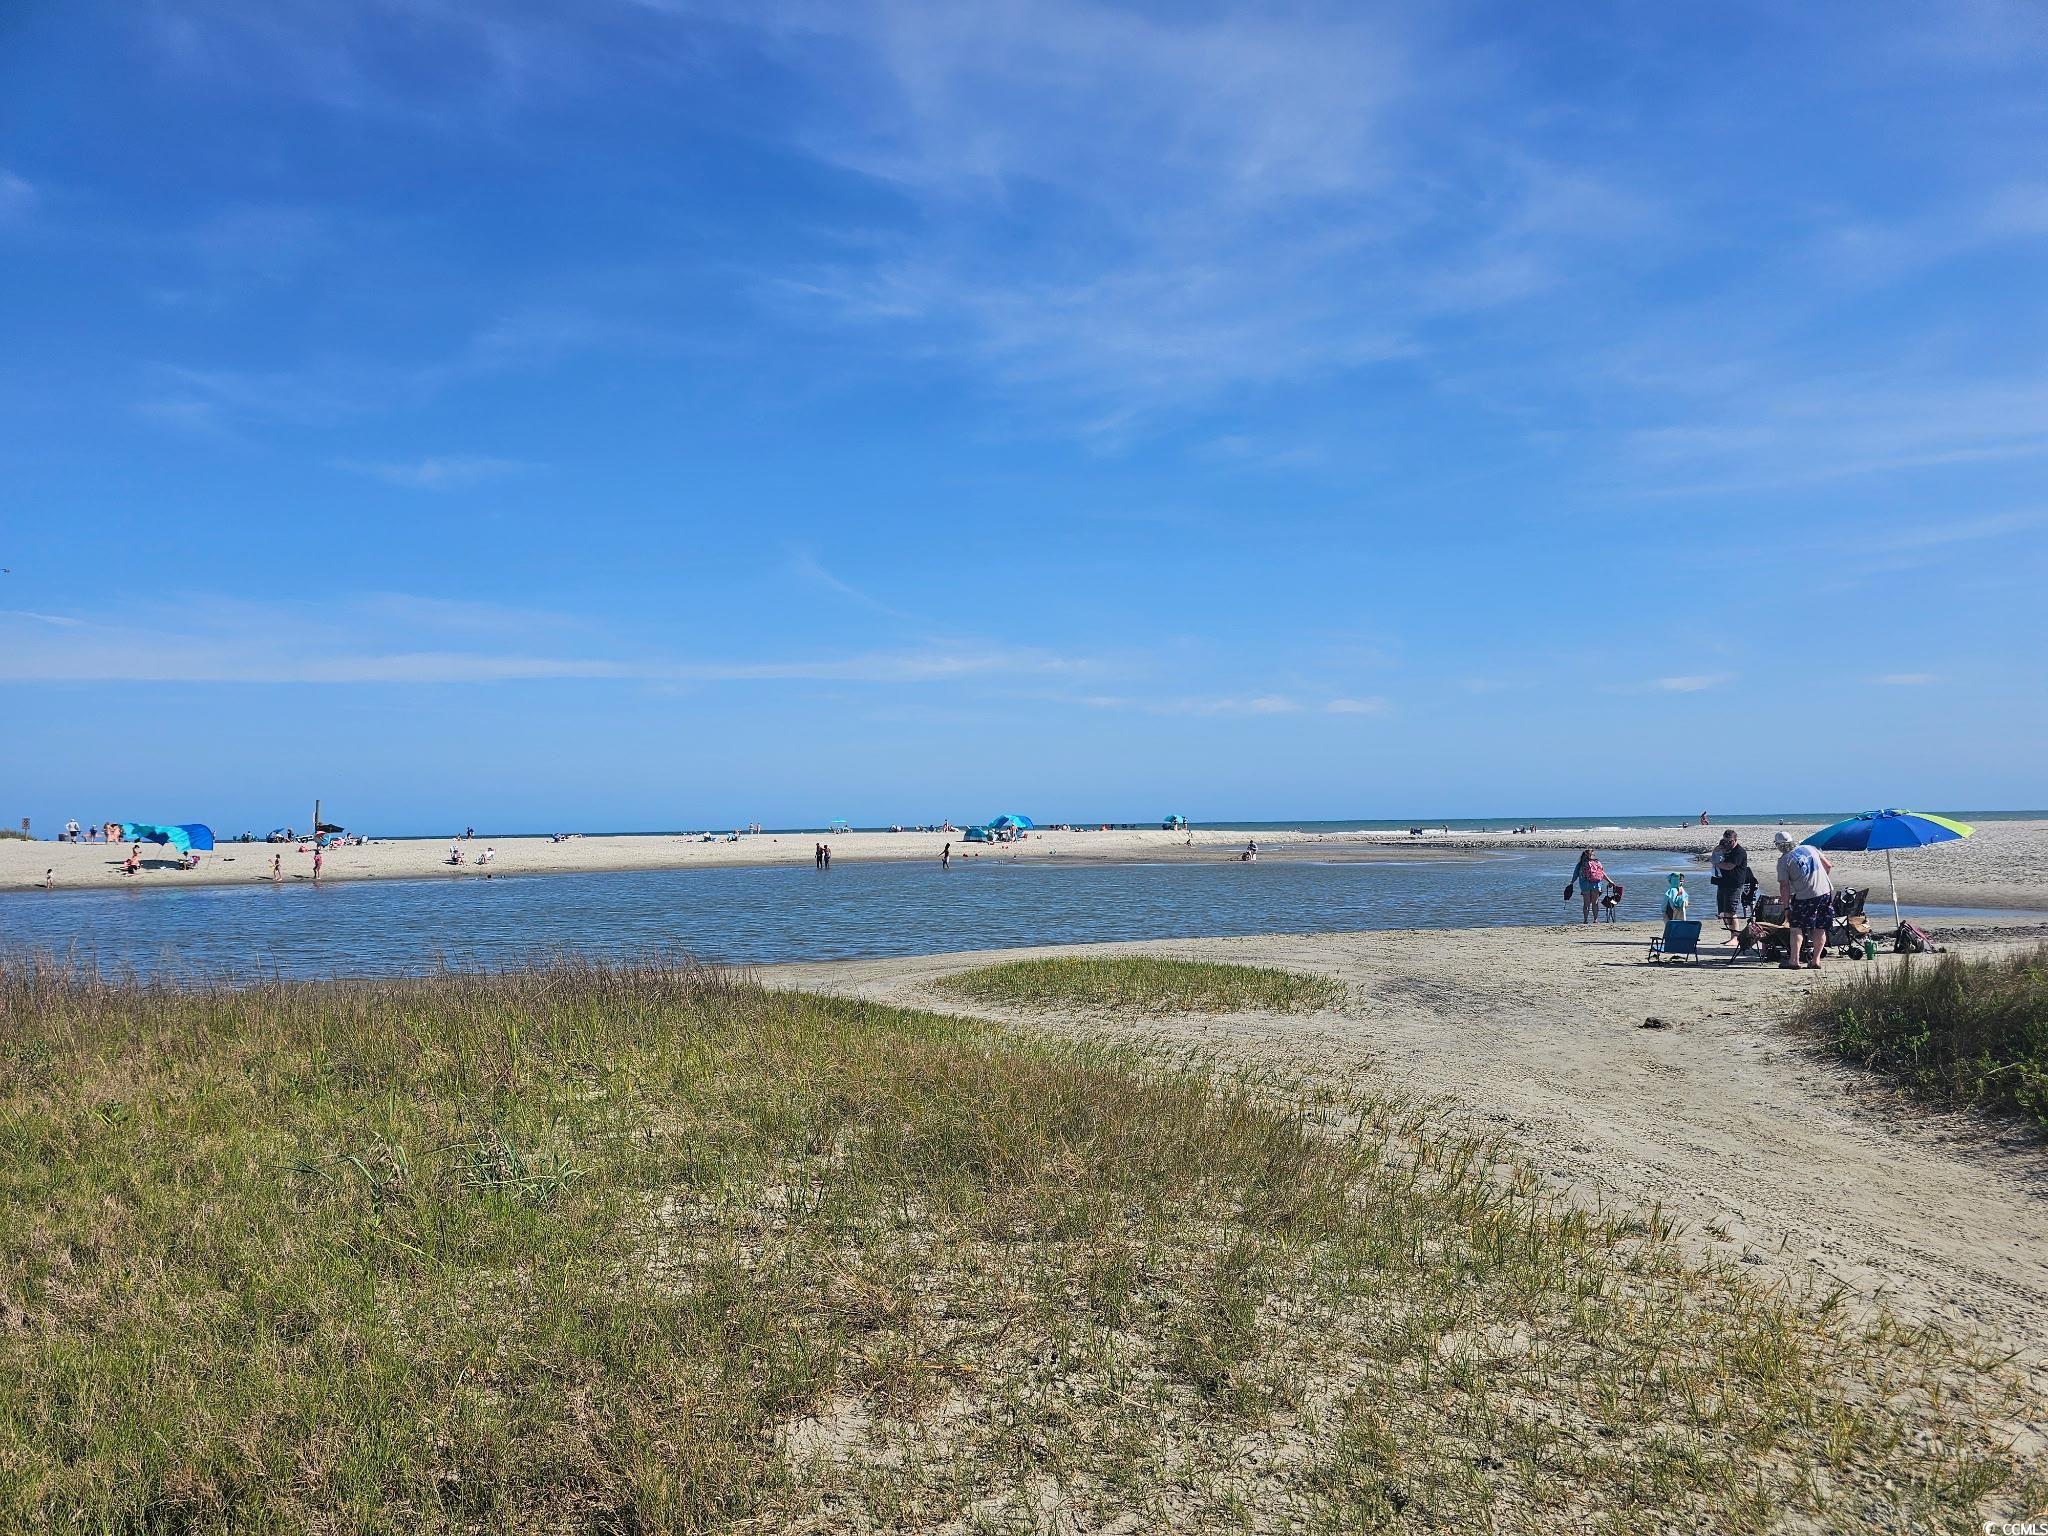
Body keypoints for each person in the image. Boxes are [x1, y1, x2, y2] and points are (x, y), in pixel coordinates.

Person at [1773, 830, 1835, 970]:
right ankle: (1816, 960)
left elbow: (1784, 886)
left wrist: (1786, 907)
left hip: (1805, 896)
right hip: (1825, 891)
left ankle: (1794, 960)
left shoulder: (1784, 860)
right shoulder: (1809, 848)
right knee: (1820, 926)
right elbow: (1828, 866)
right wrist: (1819, 881)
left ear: (1778, 846)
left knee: (1796, 927)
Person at [1709, 831, 1751, 946]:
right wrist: (1716, 850)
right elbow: (1715, 857)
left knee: (1730, 911)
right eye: (1725, 841)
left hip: (1734, 884)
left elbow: (1729, 866)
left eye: (1730, 841)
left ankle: (1735, 937)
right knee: (1723, 911)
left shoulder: (1739, 852)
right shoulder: (1725, 849)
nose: (1727, 844)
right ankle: (1732, 936)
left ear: (1735, 840)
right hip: (1723, 883)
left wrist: (1716, 863)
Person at [1565, 849, 1606, 923]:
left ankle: (1585, 920)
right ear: (1592, 855)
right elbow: (1602, 874)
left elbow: (1575, 875)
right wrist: (1610, 882)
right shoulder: (1597, 863)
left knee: (1586, 903)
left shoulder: (1580, 864)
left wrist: (1571, 883)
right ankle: (1595, 920)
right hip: (1596, 884)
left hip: (1585, 885)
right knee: (1595, 903)